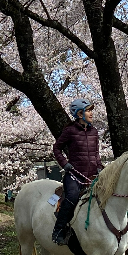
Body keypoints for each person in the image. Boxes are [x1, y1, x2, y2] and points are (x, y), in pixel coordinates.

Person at [51, 98, 102, 245]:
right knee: (72, 197)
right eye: (88, 110)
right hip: (74, 175)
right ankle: (58, 231)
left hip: (92, 175)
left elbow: (96, 154)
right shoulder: (70, 131)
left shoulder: (94, 132)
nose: (91, 113)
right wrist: (64, 163)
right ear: (79, 114)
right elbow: (57, 148)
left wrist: (99, 166)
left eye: (91, 110)